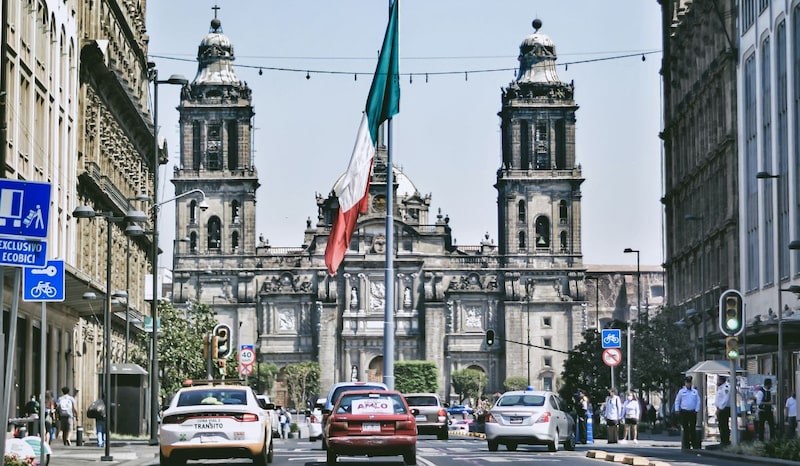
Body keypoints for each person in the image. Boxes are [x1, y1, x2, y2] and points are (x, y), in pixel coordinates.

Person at [673, 375, 701, 450]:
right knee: (685, 429)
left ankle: (694, 445)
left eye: (690, 382)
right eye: (687, 382)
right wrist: (677, 409)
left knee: (692, 428)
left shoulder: (695, 391)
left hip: (692, 412)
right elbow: (677, 401)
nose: (689, 384)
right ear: (685, 383)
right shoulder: (681, 391)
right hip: (684, 412)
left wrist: (696, 410)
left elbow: (698, 401)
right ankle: (686, 445)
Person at [715, 375, 731, 446]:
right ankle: (723, 440)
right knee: (721, 425)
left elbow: (725, 399)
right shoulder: (721, 388)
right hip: (721, 409)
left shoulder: (725, 388)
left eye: (718, 380)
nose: (717, 381)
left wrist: (720, 409)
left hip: (724, 409)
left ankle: (725, 441)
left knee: (723, 425)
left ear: (721, 380)